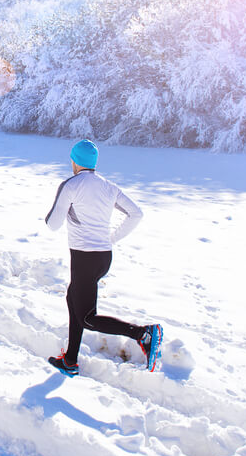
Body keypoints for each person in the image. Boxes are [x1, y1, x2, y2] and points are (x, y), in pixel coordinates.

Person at [45, 139, 163, 376]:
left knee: (87, 317)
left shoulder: (71, 185)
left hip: (84, 259)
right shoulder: (109, 187)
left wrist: (65, 212)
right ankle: (70, 360)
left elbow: (53, 224)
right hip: (103, 258)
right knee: (73, 299)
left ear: (74, 161)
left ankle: (143, 334)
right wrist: (111, 238)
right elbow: (136, 213)